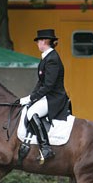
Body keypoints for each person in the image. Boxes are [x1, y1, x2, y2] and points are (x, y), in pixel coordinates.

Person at [19, 29, 70, 162]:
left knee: (31, 113)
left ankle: (46, 149)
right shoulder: (47, 58)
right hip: (47, 95)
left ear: (45, 41)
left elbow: (48, 85)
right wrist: (31, 97)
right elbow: (40, 82)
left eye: (39, 41)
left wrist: (31, 98)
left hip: (54, 97)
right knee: (28, 108)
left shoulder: (52, 59)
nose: (38, 44)